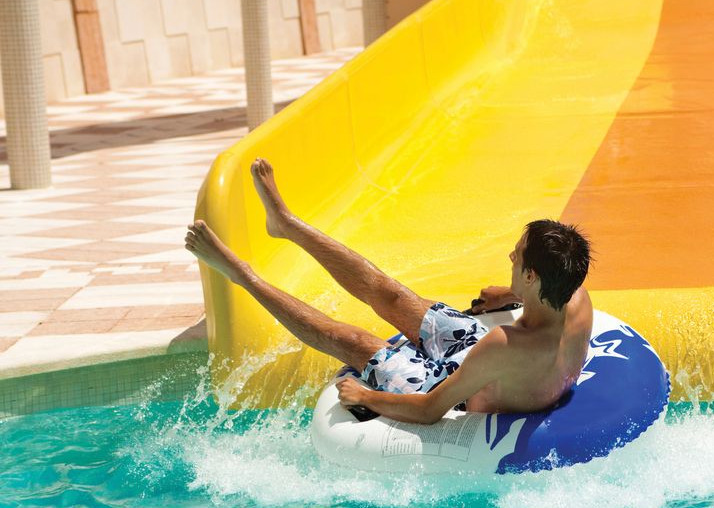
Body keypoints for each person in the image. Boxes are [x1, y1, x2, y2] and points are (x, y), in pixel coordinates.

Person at [185, 158, 593, 424]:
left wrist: (366, 396)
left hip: (461, 393)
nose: (510, 255)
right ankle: (286, 223)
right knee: (391, 295)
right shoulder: (576, 299)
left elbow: (431, 409)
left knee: (349, 339)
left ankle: (243, 276)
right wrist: (509, 294)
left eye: (517, 257)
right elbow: (539, 300)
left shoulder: (505, 345)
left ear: (532, 277)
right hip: (486, 361)